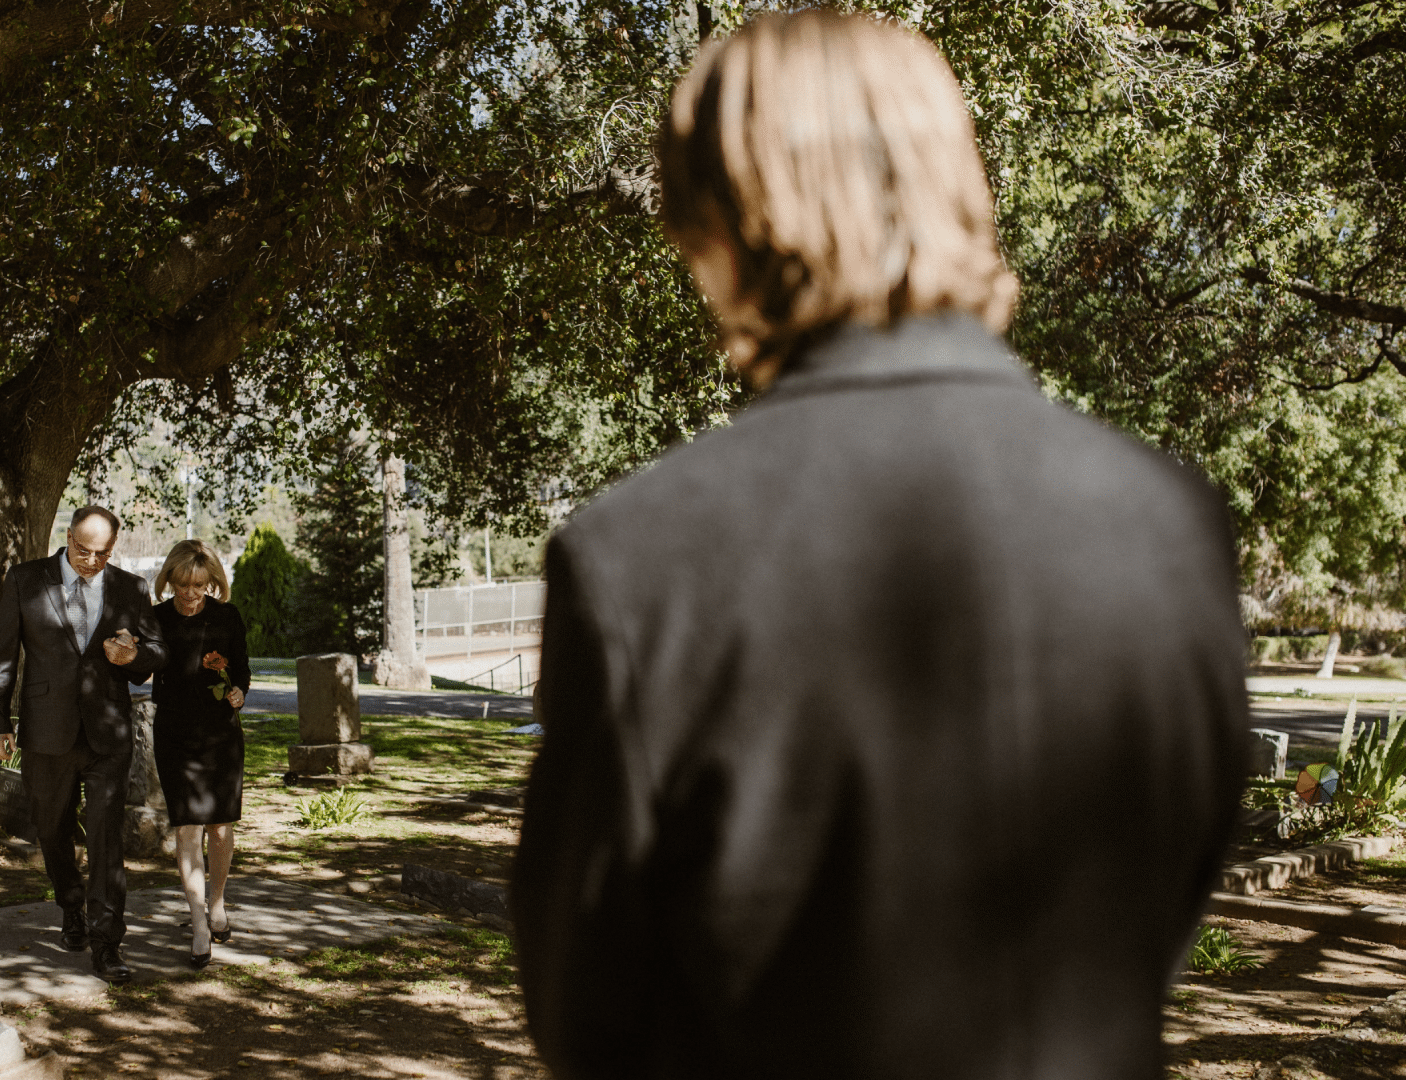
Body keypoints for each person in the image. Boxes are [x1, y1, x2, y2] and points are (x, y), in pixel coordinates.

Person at [511, 11, 1250, 1080]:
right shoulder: (1172, 520)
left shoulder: (643, 558)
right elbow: (1161, 907)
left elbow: (587, 1006)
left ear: (729, 222)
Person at [0, 505, 167, 984]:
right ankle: (71, 906)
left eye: (102, 554)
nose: (91, 561)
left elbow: (156, 654)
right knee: (52, 830)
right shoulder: (25, 580)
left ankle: (108, 944)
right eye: (83, 550)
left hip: (108, 734)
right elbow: (2, 656)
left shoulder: (131, 587)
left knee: (107, 841)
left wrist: (133, 656)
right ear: (68, 537)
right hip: (47, 731)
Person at [147, 538, 251, 968]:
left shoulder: (227, 616)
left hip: (221, 734)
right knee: (188, 830)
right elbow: (140, 665)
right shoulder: (154, 619)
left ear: (212, 583)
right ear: (169, 580)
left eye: (199, 585)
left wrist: (239, 691)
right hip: (175, 734)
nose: (190, 594)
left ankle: (218, 902)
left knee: (221, 828)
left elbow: (242, 666)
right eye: (183, 585)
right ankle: (197, 924)